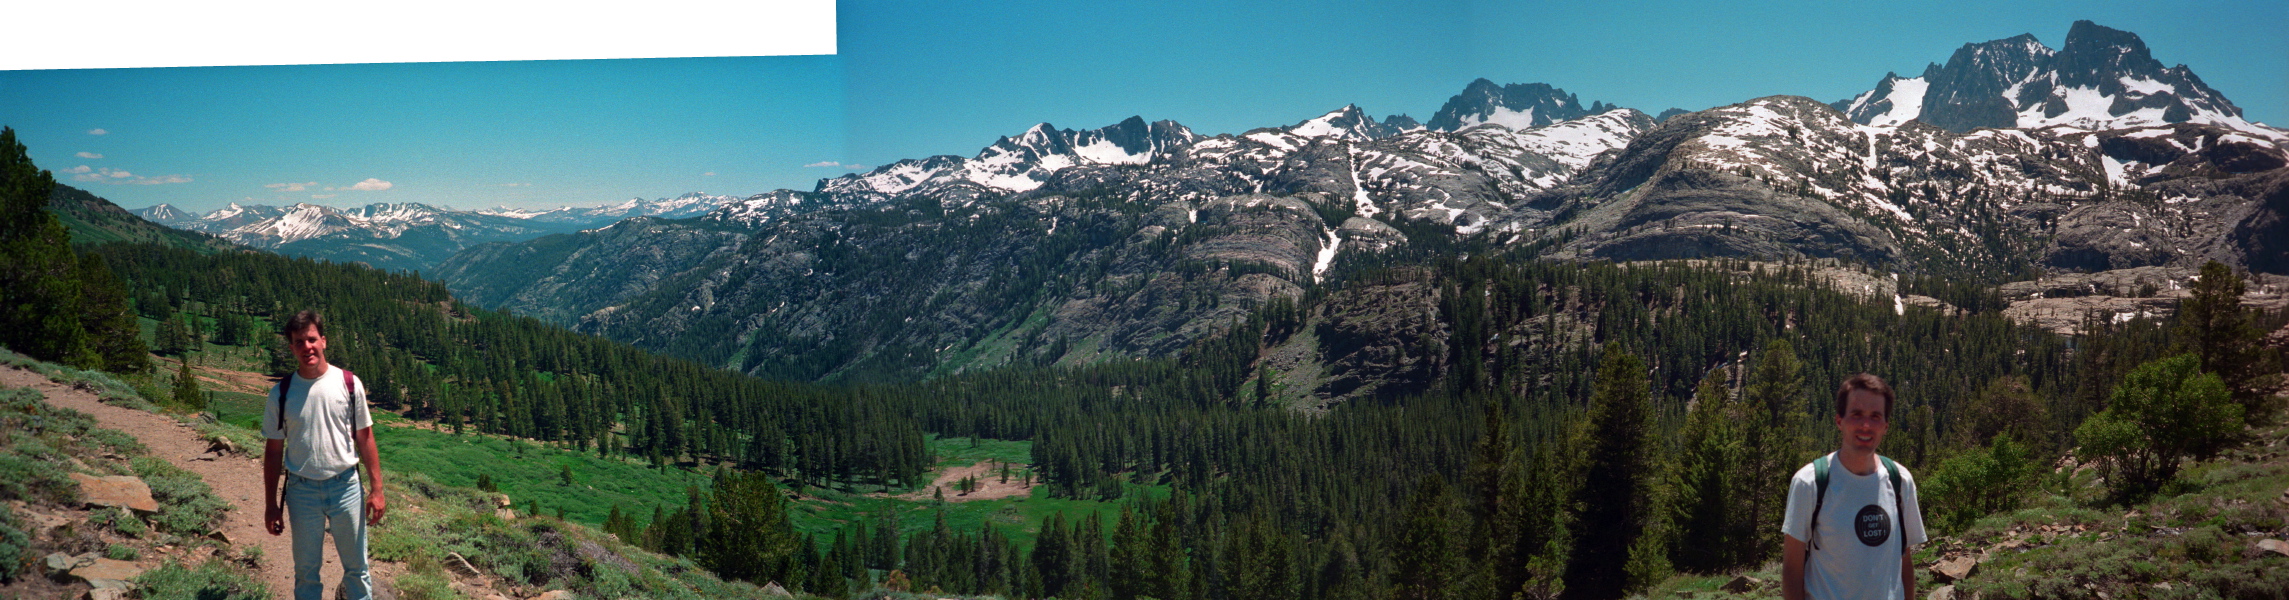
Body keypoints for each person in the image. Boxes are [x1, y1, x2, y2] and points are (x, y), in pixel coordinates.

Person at [262, 310, 386, 600]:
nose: (307, 347)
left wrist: (377, 489)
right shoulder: (281, 394)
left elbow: (365, 438)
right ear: (292, 347)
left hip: (346, 487)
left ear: (324, 341)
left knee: (357, 568)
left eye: (312, 339)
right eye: (299, 342)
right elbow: (273, 452)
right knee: (306, 572)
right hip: (301, 491)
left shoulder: (348, 383)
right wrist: (270, 504)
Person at [1781, 373, 1926, 600]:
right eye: (1856, 414)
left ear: (1886, 426)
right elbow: (1791, 569)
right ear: (1840, 420)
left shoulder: (1901, 481)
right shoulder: (1810, 483)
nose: (1866, 425)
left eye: (1875, 416)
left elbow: (1904, 561)